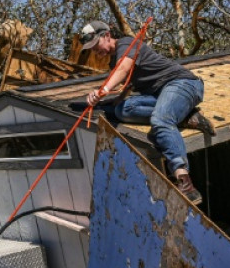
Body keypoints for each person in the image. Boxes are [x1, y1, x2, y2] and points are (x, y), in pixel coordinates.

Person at [81, 20, 210, 204]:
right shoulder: (114, 61)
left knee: (161, 120)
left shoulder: (127, 44)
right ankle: (183, 116)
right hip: (160, 95)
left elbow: (123, 69)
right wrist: (114, 101)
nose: (95, 51)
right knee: (122, 110)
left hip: (183, 84)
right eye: (92, 49)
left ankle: (185, 183)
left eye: (96, 45)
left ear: (107, 35)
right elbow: (127, 84)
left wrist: (102, 91)